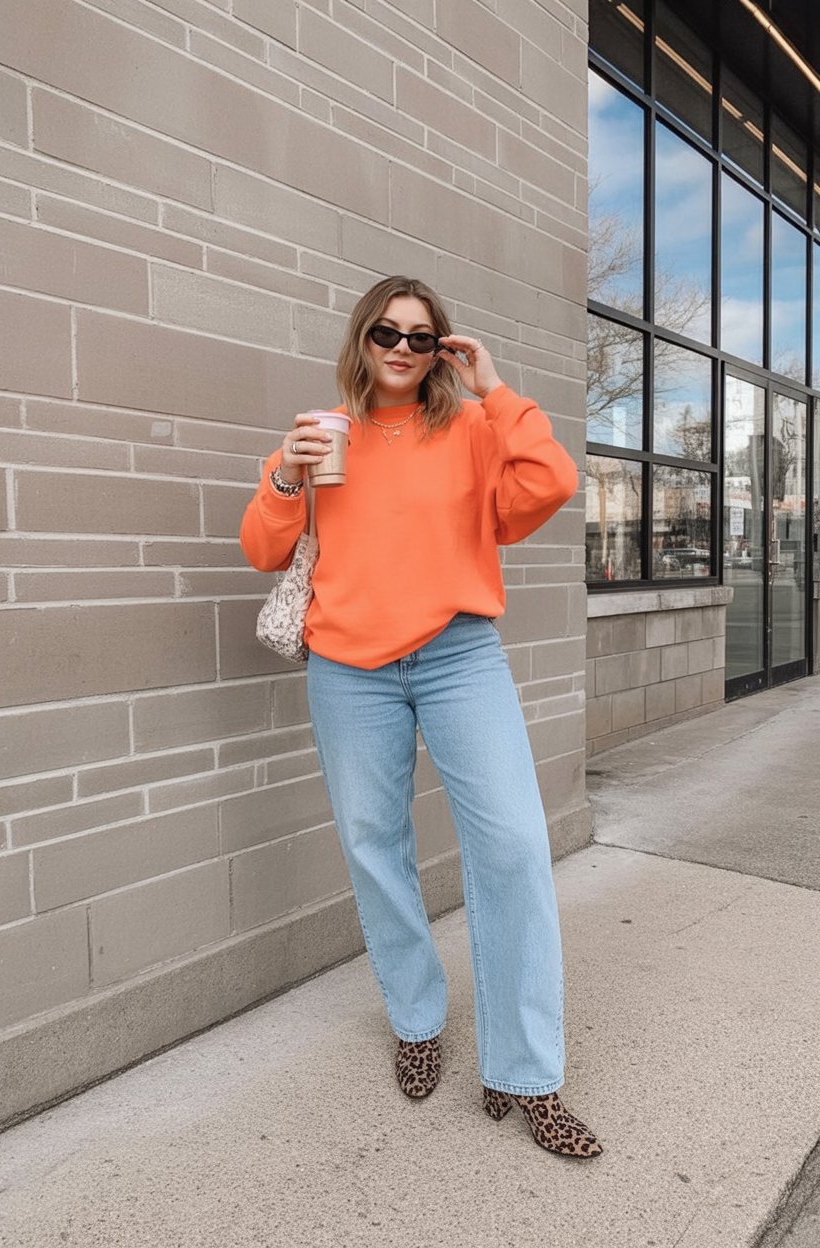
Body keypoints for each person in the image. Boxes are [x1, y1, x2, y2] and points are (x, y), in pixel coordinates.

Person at [239, 276, 602, 1159]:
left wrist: (497, 387)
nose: (401, 349)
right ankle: (416, 1020)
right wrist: (287, 474)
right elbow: (261, 548)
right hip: (347, 669)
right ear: (361, 340)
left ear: (440, 347)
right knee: (375, 844)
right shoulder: (323, 433)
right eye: (385, 333)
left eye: (420, 336)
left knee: (514, 845)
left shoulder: (474, 429)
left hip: (457, 655)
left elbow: (552, 479)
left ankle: (527, 1076)